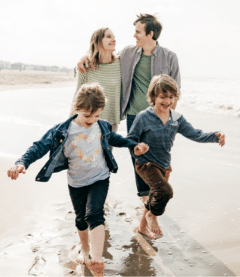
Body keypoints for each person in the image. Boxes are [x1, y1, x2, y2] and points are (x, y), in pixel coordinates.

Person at [7, 83, 149, 277]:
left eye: (97, 115)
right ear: (77, 108)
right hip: (77, 182)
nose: (92, 120)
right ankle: (84, 248)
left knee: (95, 214)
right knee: (81, 219)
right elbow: (39, 146)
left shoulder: (102, 126)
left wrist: (134, 146)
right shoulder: (62, 131)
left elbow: (116, 139)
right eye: (87, 116)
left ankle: (97, 260)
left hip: (100, 178)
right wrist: (22, 162)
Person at [78, 14, 181, 239]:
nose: (133, 35)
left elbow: (177, 89)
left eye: (138, 32)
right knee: (140, 160)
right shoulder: (128, 54)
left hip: (159, 117)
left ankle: (150, 209)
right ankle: (147, 207)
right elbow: (103, 58)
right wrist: (83, 59)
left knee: (160, 162)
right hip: (135, 116)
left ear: (150, 34)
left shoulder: (169, 57)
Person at [127, 74, 225, 237]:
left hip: (164, 165)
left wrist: (215, 136)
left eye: (171, 97)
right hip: (145, 163)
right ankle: (152, 216)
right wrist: (137, 150)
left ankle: (142, 228)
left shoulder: (176, 118)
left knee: (155, 195)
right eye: (163, 97)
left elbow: (195, 134)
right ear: (153, 97)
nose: (167, 101)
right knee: (165, 191)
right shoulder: (143, 117)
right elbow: (130, 140)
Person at [73, 27, 121, 133]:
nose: (113, 40)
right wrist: (70, 122)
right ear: (98, 41)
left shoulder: (120, 64)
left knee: (107, 150)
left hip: (110, 123)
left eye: (114, 37)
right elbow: (78, 95)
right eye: (108, 37)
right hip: (88, 121)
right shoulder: (87, 65)